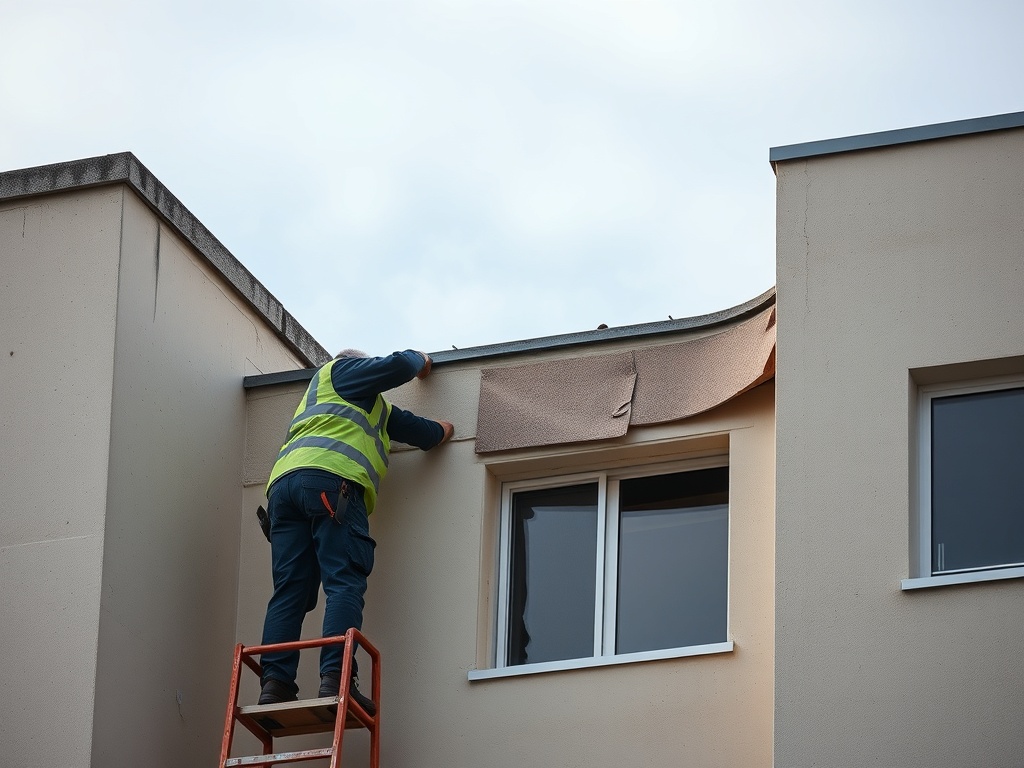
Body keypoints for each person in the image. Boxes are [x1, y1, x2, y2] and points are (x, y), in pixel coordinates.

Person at [258, 349, 454, 711]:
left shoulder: (373, 409)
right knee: (344, 581)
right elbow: (400, 365)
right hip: (331, 485)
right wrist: (421, 358)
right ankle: (337, 678)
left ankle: (275, 683)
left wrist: (444, 430)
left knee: (291, 591)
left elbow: (425, 433)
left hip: (284, 491)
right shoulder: (341, 372)